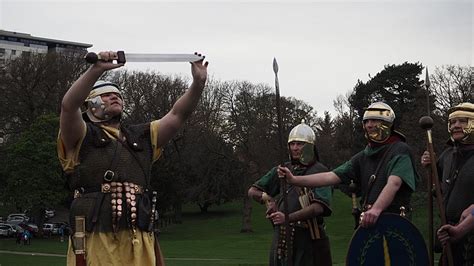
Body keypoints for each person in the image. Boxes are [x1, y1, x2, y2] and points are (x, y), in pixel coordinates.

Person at [57, 51, 208, 265]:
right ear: (89, 104)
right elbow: (68, 106)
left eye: (117, 94)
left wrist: (198, 83)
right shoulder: (80, 135)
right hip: (97, 237)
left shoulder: (142, 136)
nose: (115, 96)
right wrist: (96, 70)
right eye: (106, 95)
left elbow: (177, 115)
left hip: (140, 237)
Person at [279, 102, 418, 228]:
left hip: (395, 222)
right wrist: (294, 180)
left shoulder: (400, 150)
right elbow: (330, 177)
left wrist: (376, 209)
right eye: (367, 121)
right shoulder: (363, 156)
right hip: (369, 223)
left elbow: (394, 183)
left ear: (387, 123)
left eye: (374, 120)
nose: (369, 125)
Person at [248, 120, 333, 266]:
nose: (295, 148)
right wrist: (268, 199)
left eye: (300, 144)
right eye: (292, 144)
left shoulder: (321, 172)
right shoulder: (283, 170)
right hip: (282, 238)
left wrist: (287, 218)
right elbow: (253, 190)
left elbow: (319, 207)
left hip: (308, 240)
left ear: (310, 146)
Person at [421, 102, 474, 265]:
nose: (456, 126)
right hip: (449, 233)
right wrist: (429, 166)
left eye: (463, 121)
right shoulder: (447, 155)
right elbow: (439, 188)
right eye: (453, 122)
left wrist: (461, 228)